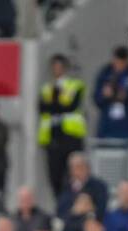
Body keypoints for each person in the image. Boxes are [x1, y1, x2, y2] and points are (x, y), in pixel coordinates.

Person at [38, 54, 87, 198]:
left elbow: (70, 106)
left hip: (71, 137)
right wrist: (58, 105)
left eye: (59, 67)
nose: (56, 70)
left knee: (73, 175)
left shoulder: (75, 85)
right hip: (52, 138)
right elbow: (42, 108)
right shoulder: (46, 88)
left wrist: (54, 105)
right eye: (54, 67)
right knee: (55, 176)